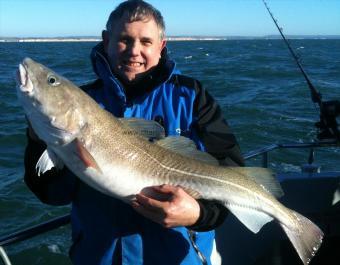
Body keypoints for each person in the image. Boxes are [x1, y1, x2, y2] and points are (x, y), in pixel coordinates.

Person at [24, 1, 244, 264]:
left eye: (146, 42)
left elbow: (231, 177)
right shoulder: (84, 100)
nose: (134, 51)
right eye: (124, 39)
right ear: (106, 41)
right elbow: (52, 195)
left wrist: (198, 214)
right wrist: (39, 140)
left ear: (161, 47)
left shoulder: (192, 97)